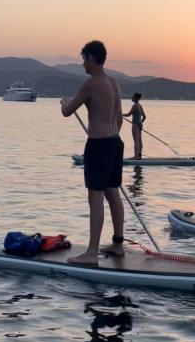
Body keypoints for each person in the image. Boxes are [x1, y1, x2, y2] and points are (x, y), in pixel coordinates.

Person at [60, 40, 125, 265]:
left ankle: (91, 252)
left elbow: (67, 112)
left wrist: (64, 102)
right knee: (113, 193)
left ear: (91, 58)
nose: (83, 64)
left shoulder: (90, 84)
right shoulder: (114, 82)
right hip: (115, 142)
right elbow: (118, 118)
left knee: (95, 197)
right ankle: (118, 244)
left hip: (98, 145)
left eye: (84, 59)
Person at [123, 93, 146, 158]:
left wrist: (121, 115)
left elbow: (128, 114)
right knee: (139, 140)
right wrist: (140, 123)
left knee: (136, 141)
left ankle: (136, 156)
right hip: (139, 125)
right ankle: (139, 155)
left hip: (135, 125)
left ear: (135, 98)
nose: (131, 97)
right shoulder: (140, 105)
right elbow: (144, 117)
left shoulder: (135, 106)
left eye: (132, 97)